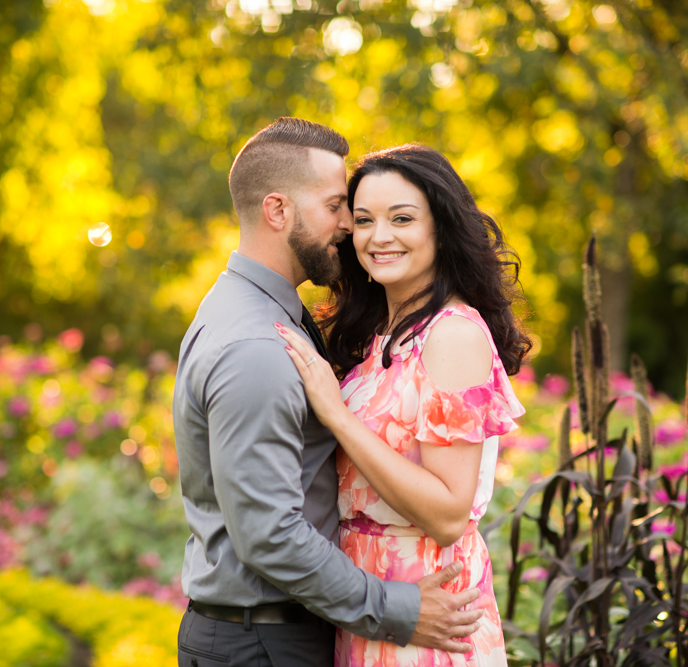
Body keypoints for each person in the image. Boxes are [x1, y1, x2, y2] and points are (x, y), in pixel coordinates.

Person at [173, 119, 485, 667]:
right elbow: (268, 534)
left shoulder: (273, 316)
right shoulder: (256, 343)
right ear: (278, 211)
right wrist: (396, 606)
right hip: (269, 642)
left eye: (396, 217)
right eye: (341, 208)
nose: (352, 227)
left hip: (332, 625)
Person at [276, 144, 531, 666]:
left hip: (430, 613)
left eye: (403, 218)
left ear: (442, 228)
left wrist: (338, 416)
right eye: (364, 220)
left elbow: (447, 514)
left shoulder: (452, 335)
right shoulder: (381, 335)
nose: (380, 236)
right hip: (377, 607)